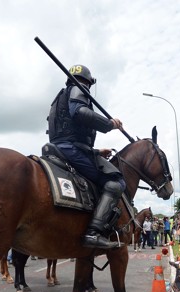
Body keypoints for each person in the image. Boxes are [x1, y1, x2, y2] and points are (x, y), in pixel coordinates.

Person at [48, 64, 125, 249]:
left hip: (62, 147)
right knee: (116, 183)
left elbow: (69, 131)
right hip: (71, 149)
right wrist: (109, 124)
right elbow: (79, 112)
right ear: (89, 82)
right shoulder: (79, 88)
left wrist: (97, 152)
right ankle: (93, 232)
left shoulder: (60, 97)